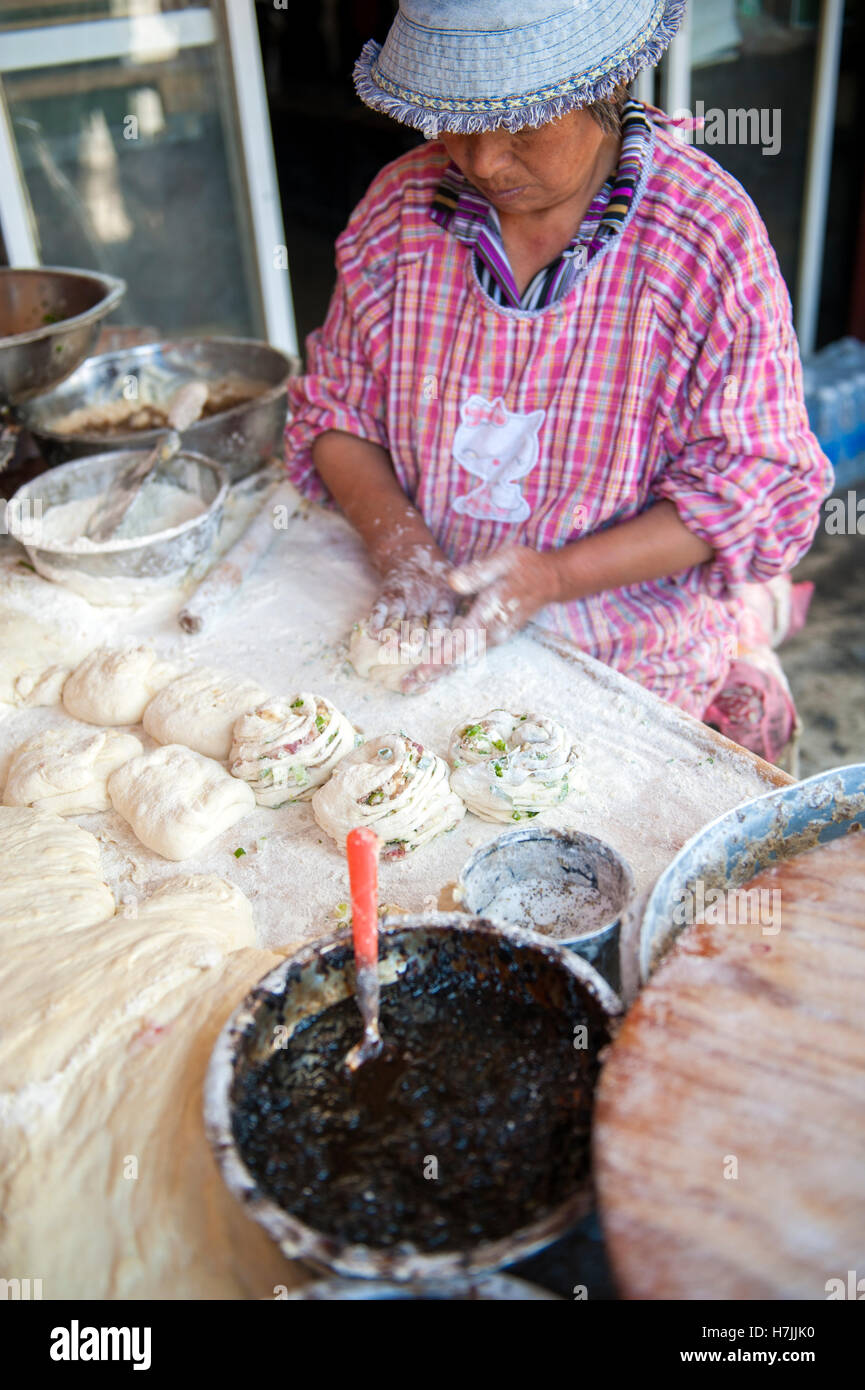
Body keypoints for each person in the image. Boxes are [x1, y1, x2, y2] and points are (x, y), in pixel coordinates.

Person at [284, 0, 832, 767]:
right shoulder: (399, 210)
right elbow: (338, 414)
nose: (481, 162)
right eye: (456, 120)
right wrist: (402, 547)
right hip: (431, 618)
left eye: (521, 129)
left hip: (621, 656)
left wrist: (552, 577)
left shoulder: (705, 239)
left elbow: (750, 486)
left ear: (607, 86)